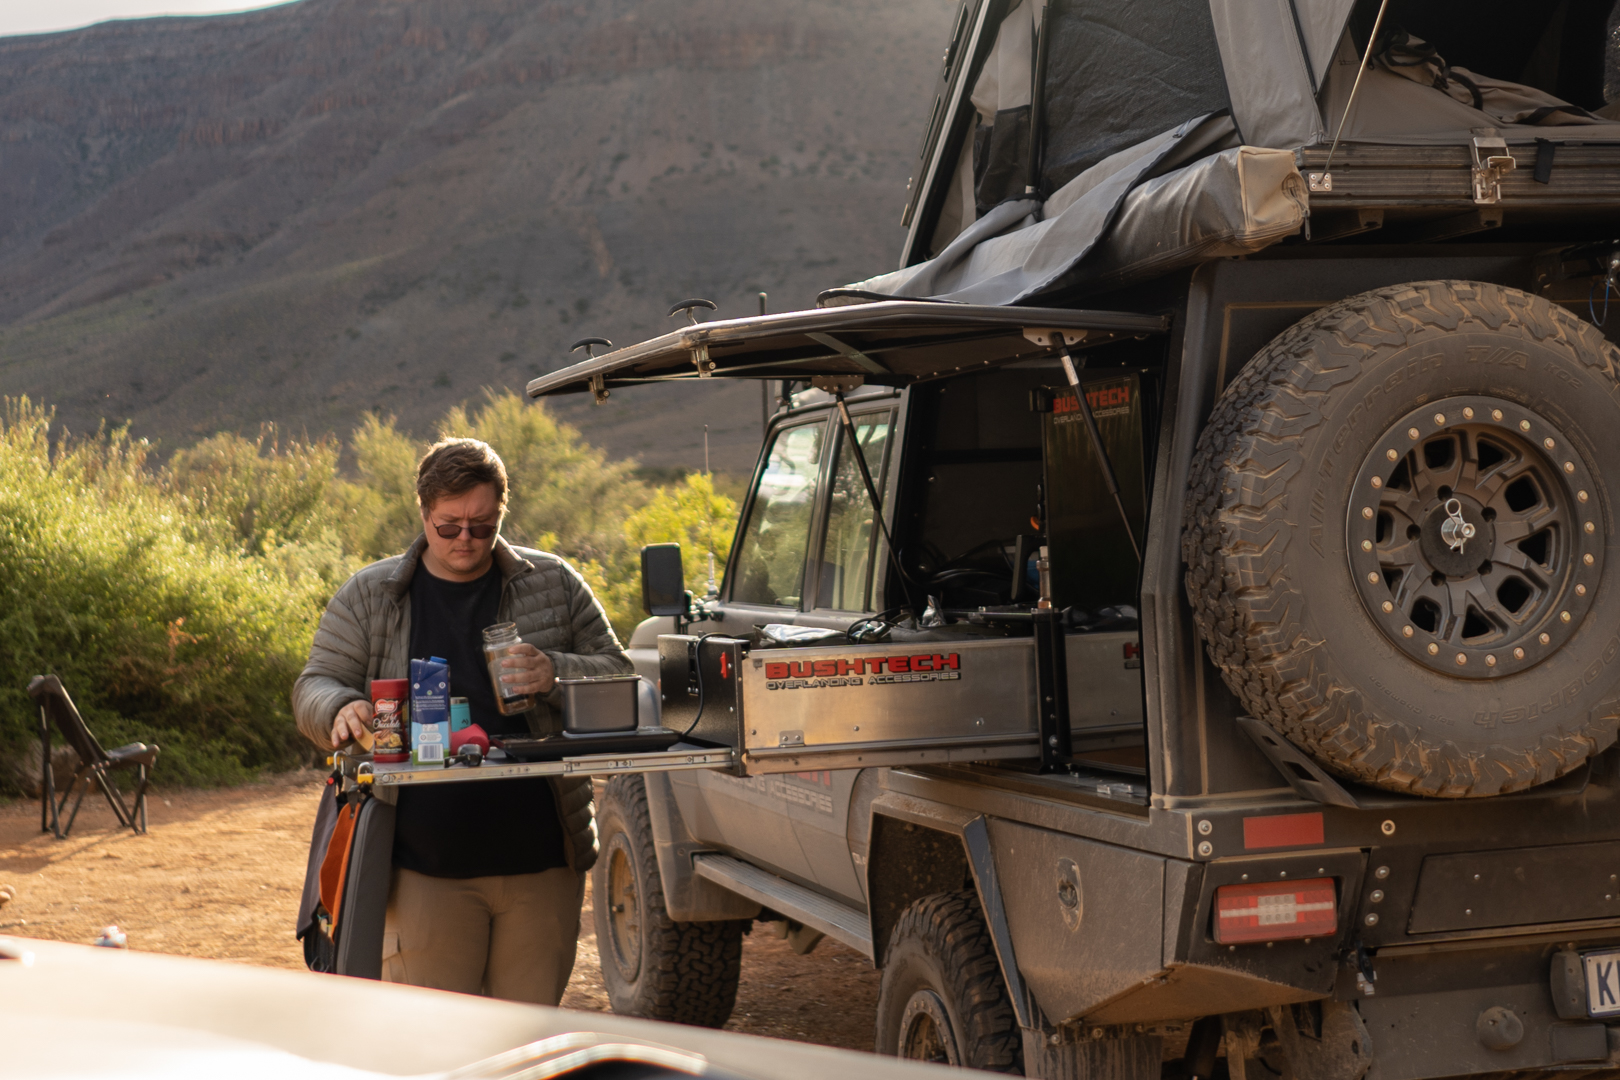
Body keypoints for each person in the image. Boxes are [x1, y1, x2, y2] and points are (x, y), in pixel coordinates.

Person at [292, 437, 632, 1003]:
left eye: (483, 524)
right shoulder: (371, 594)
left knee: (528, 1036)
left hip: (545, 861)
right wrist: (340, 707)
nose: (466, 539)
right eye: (449, 526)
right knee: (436, 1039)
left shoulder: (554, 582)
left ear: (502, 511)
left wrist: (554, 672)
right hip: (421, 867)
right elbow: (315, 683)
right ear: (424, 512)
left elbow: (620, 676)